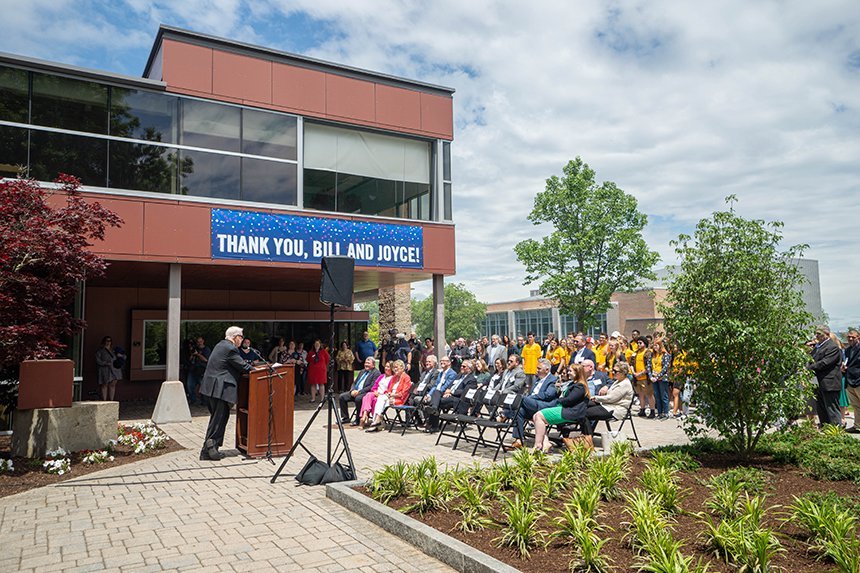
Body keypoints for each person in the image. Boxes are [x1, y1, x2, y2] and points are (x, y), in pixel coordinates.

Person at [199, 326, 254, 460]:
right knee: (220, 418)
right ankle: (212, 447)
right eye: (240, 336)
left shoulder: (220, 345)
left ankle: (207, 451)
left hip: (211, 388)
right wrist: (259, 369)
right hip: (220, 389)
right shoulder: (230, 348)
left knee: (216, 418)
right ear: (234, 337)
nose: (242, 339)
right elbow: (243, 366)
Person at [531, 363, 591, 452]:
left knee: (539, 416)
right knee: (535, 416)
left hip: (571, 413)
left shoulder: (580, 386)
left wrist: (557, 400)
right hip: (565, 409)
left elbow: (569, 400)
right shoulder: (573, 384)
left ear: (577, 373)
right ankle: (546, 443)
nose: (568, 373)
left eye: (570, 371)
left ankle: (538, 445)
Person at [510, 358, 558, 448]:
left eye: (539, 368)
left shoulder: (553, 380)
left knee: (521, 398)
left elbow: (548, 395)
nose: (537, 370)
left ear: (547, 370)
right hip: (532, 405)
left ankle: (504, 414)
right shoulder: (537, 379)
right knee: (519, 411)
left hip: (543, 405)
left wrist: (531, 398)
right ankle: (518, 439)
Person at [807, 326, 843, 427]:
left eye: (819, 334)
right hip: (818, 382)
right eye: (816, 333)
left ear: (826, 334)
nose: (816, 336)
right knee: (821, 407)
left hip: (830, 383)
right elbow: (810, 359)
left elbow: (825, 363)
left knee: (831, 408)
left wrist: (809, 368)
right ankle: (825, 427)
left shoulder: (832, 347)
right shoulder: (818, 347)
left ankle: (835, 430)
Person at [364, 360, 412, 432]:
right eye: (394, 367)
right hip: (390, 397)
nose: (395, 369)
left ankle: (375, 422)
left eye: (397, 367)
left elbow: (403, 393)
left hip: (399, 399)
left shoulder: (406, 378)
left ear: (402, 368)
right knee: (381, 398)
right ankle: (377, 421)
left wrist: (393, 395)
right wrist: (388, 394)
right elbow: (389, 389)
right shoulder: (395, 377)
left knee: (383, 401)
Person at [338, 356, 381, 424]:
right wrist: (352, 390)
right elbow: (354, 383)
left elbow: (371, 386)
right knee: (342, 397)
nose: (366, 364)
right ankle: (345, 418)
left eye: (368, 363)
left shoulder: (376, 373)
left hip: (365, 393)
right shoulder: (362, 371)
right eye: (365, 363)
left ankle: (358, 419)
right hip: (355, 391)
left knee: (358, 399)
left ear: (373, 365)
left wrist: (359, 392)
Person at [359, 361, 393, 428]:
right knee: (368, 395)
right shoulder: (381, 376)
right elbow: (374, 386)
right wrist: (375, 391)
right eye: (385, 366)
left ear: (392, 368)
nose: (386, 368)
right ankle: (365, 414)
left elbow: (390, 390)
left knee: (372, 399)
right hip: (376, 393)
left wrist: (381, 394)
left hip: (383, 395)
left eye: (388, 367)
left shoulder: (392, 378)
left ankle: (365, 418)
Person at [648, 339, 672, 420]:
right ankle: (659, 413)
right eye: (654, 345)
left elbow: (665, 367)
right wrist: (651, 376)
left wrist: (657, 377)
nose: (654, 347)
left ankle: (666, 413)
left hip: (662, 378)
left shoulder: (665, 355)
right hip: (654, 377)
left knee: (663, 396)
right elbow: (649, 366)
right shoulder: (652, 355)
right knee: (657, 396)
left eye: (656, 345)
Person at [631, 337, 654, 418]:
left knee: (649, 394)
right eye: (638, 343)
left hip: (645, 377)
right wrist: (634, 372)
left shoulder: (648, 353)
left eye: (640, 343)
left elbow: (649, 366)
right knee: (640, 394)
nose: (638, 344)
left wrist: (641, 373)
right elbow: (631, 364)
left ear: (645, 343)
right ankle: (642, 409)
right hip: (637, 378)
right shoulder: (635, 353)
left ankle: (652, 410)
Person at [95, 336, 123, 401]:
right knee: (104, 384)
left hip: (115, 370)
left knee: (113, 385)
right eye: (106, 341)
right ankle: (104, 400)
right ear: (104, 342)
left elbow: (123, 357)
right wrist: (105, 363)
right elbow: (98, 360)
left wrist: (120, 356)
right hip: (105, 369)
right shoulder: (100, 351)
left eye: (109, 341)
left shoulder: (114, 350)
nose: (108, 342)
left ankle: (111, 400)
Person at [186, 336, 211, 406]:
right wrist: (192, 354)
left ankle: (204, 402)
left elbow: (206, 360)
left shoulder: (206, 349)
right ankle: (193, 400)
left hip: (202, 370)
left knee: (203, 387)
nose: (199, 343)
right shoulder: (195, 349)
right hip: (193, 370)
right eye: (198, 342)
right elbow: (190, 360)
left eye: (200, 341)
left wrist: (198, 355)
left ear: (203, 341)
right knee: (190, 386)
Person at [844, 329, 860, 433]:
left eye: (853, 337)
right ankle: (857, 425)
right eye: (848, 337)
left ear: (858, 337)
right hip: (850, 381)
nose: (850, 339)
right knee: (855, 405)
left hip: (859, 381)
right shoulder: (847, 350)